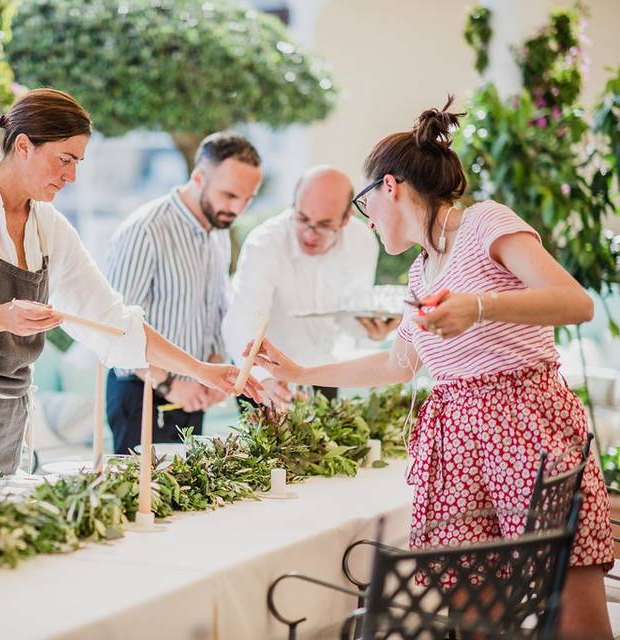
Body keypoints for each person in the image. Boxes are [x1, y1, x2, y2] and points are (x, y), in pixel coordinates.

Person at [246, 99, 612, 637]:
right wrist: (300, 372)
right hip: (458, 449)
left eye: (362, 207)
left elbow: (576, 302)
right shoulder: (420, 272)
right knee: (479, 621)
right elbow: (399, 364)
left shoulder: (486, 222)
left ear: (388, 187)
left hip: (527, 428)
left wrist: (479, 305)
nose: (364, 223)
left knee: (572, 607)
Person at [0, 89, 260, 501]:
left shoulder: (49, 227)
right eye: (65, 159)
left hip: (5, 420)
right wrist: (1, 316)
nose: (72, 176)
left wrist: (201, 369)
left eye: (78, 162)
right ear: (23, 145)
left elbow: (113, 321)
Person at [104, 132, 263, 454]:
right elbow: (114, 330)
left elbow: (215, 309)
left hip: (192, 394)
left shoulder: (217, 230)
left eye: (248, 199)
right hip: (144, 393)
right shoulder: (145, 230)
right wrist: (170, 384)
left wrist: (215, 369)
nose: (238, 209)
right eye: (230, 195)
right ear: (198, 177)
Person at [222, 165, 396, 409]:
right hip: (266, 376)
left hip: (322, 371)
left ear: (346, 218)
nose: (310, 234)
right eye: (302, 219)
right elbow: (242, 321)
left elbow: (351, 316)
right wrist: (264, 380)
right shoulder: (264, 243)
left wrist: (372, 332)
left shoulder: (362, 243)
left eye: (324, 225)